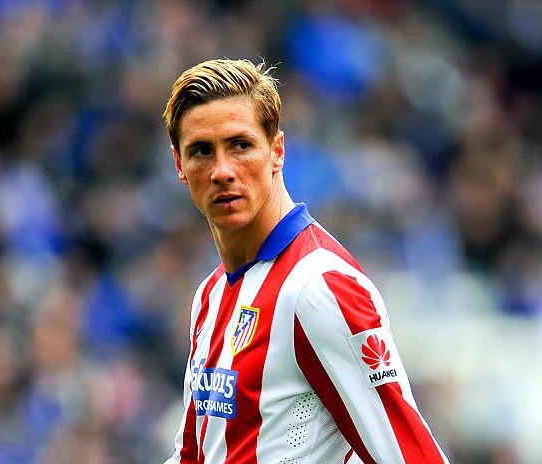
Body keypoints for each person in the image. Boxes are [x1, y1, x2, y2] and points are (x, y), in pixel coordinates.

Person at [162, 58, 449, 464]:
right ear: (179, 164)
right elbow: (192, 455)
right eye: (202, 151)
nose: (222, 171)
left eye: (240, 145)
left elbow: (412, 456)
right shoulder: (210, 295)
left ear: (277, 151)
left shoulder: (319, 287)